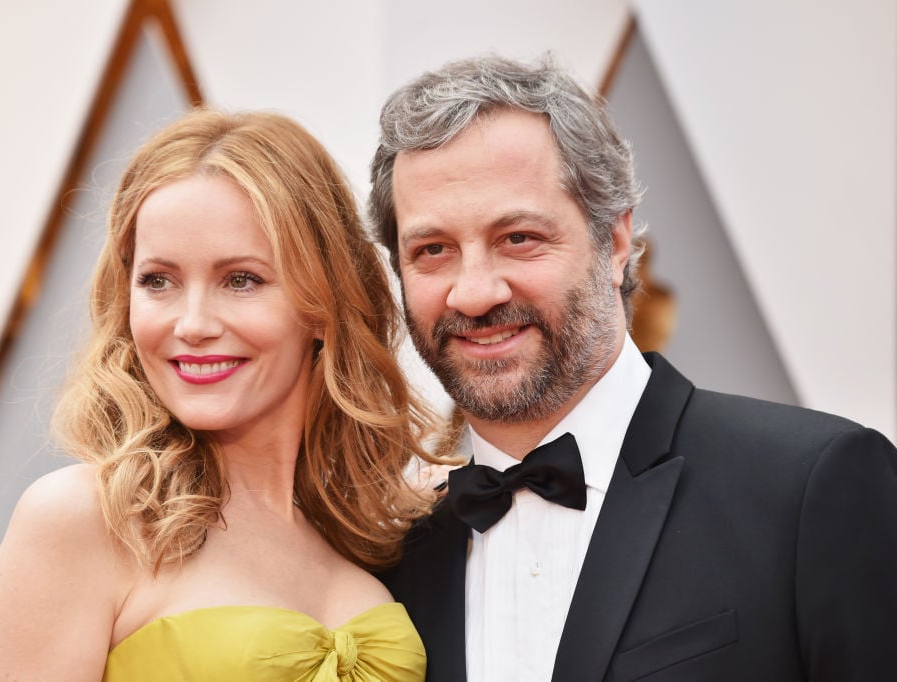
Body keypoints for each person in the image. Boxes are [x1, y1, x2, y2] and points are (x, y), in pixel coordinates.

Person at [369, 54, 897, 682]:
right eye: (433, 251)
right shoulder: (392, 558)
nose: (474, 293)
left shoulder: (810, 485)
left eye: (518, 238)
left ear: (614, 242)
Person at [0, 108, 448, 681]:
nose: (192, 323)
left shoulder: (371, 539)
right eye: (158, 280)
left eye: (241, 279)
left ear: (323, 304)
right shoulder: (87, 519)